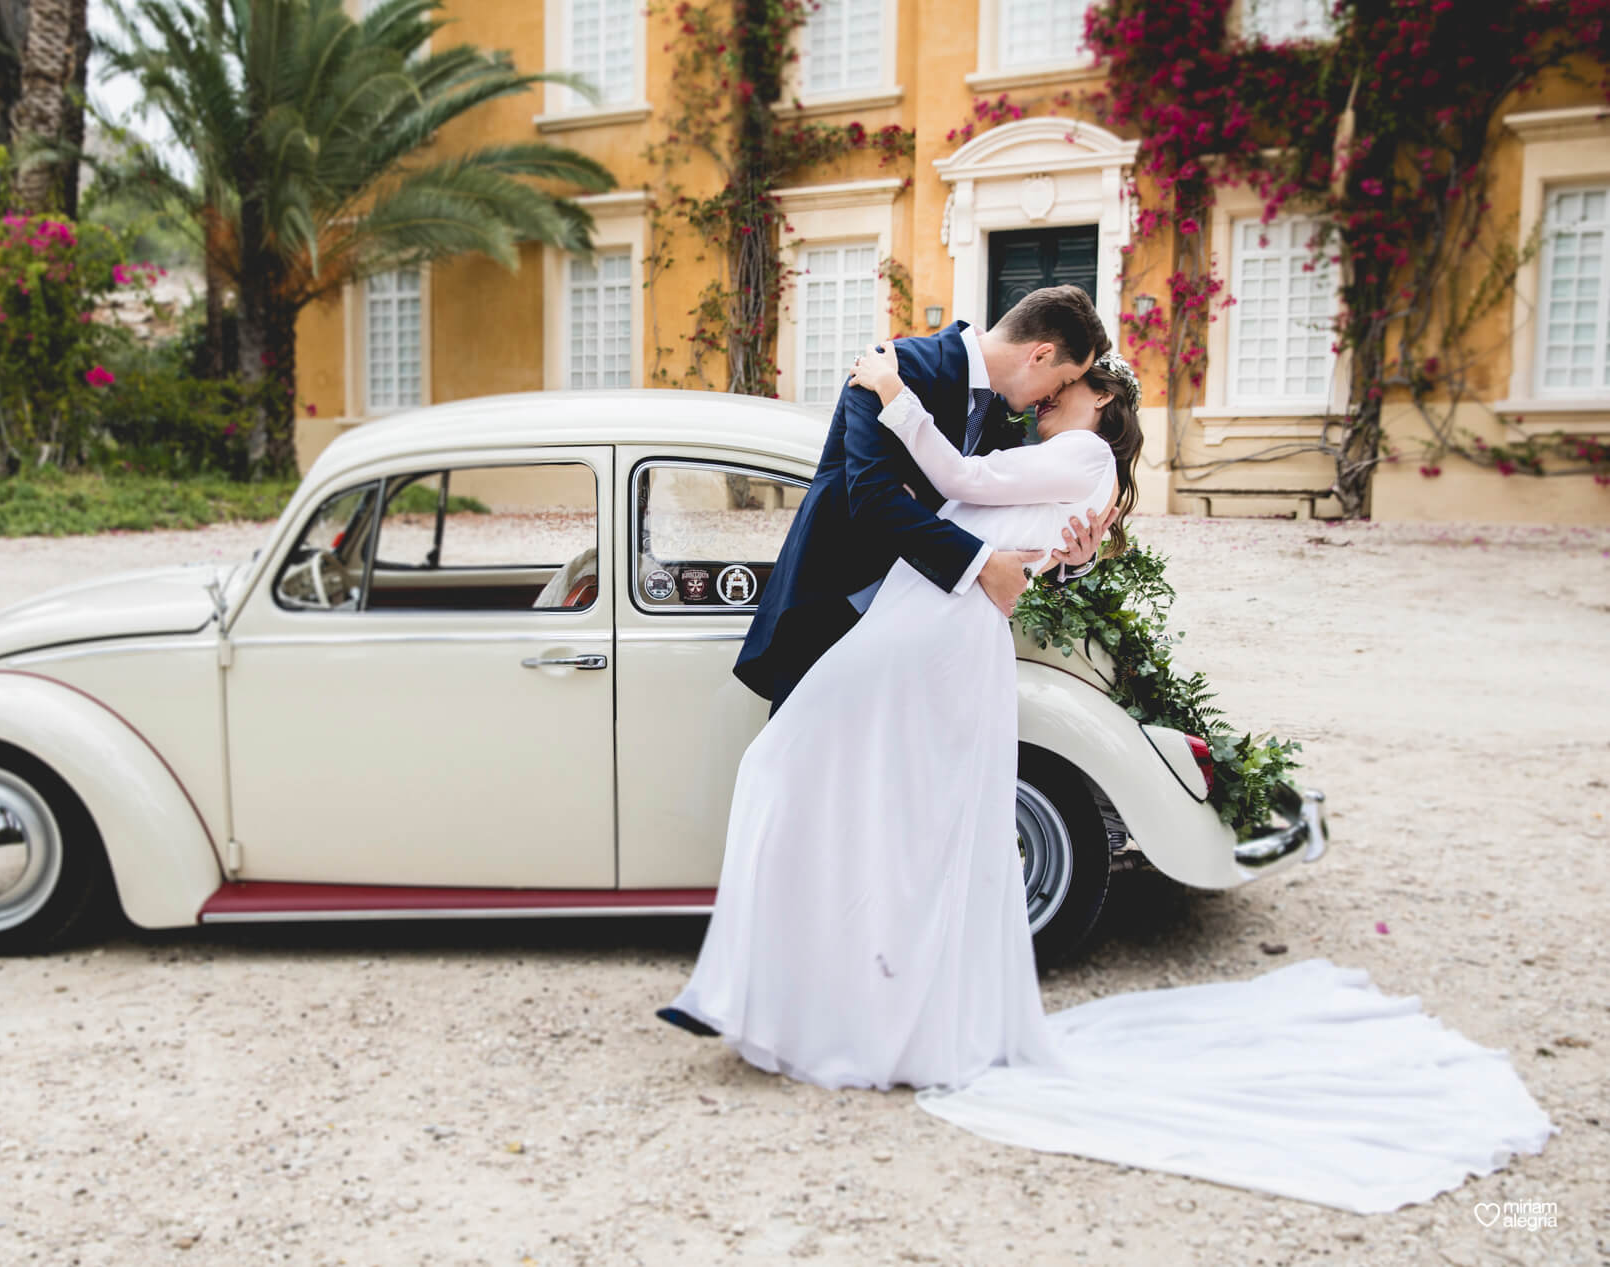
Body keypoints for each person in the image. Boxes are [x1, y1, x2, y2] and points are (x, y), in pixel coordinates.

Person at [657, 341, 1554, 1215]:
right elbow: (1005, 514)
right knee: (893, 805)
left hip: (933, 624)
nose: (1044, 406)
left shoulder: (1076, 450)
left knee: (797, 767)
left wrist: (895, 394)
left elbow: (966, 488)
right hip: (932, 620)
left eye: (1066, 392)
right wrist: (1069, 548)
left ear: (1096, 399)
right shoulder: (1068, 460)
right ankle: (858, 998)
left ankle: (808, 1001)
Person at [731, 285, 1117, 720]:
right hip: (836, 614)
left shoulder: (1002, 415)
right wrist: (984, 564)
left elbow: (1014, 515)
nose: (1053, 397)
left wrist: (1071, 560)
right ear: (1040, 355)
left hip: (925, 639)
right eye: (1063, 381)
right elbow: (874, 500)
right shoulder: (895, 369)